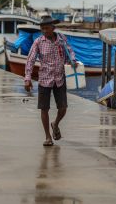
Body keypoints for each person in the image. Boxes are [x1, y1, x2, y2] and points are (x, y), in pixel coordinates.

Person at [24, 16, 77, 146]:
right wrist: (27, 78)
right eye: (42, 29)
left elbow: (70, 51)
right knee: (44, 109)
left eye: (47, 28)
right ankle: (48, 137)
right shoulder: (38, 42)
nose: (44, 31)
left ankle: (56, 124)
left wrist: (73, 60)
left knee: (63, 108)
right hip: (44, 79)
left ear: (53, 28)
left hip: (60, 78)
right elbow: (30, 59)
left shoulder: (62, 39)